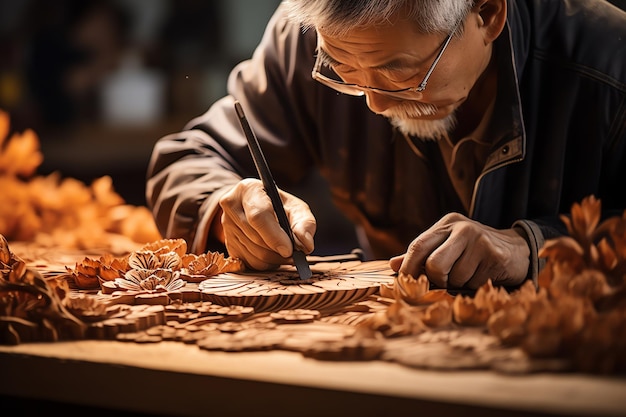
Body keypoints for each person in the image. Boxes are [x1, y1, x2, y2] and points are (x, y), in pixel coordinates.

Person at [146, 0, 626, 290]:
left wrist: (534, 248)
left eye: (401, 71)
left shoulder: (608, 62)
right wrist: (226, 206)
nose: (373, 104)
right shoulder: (314, 32)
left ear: (487, 13)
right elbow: (190, 155)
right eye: (344, 72)